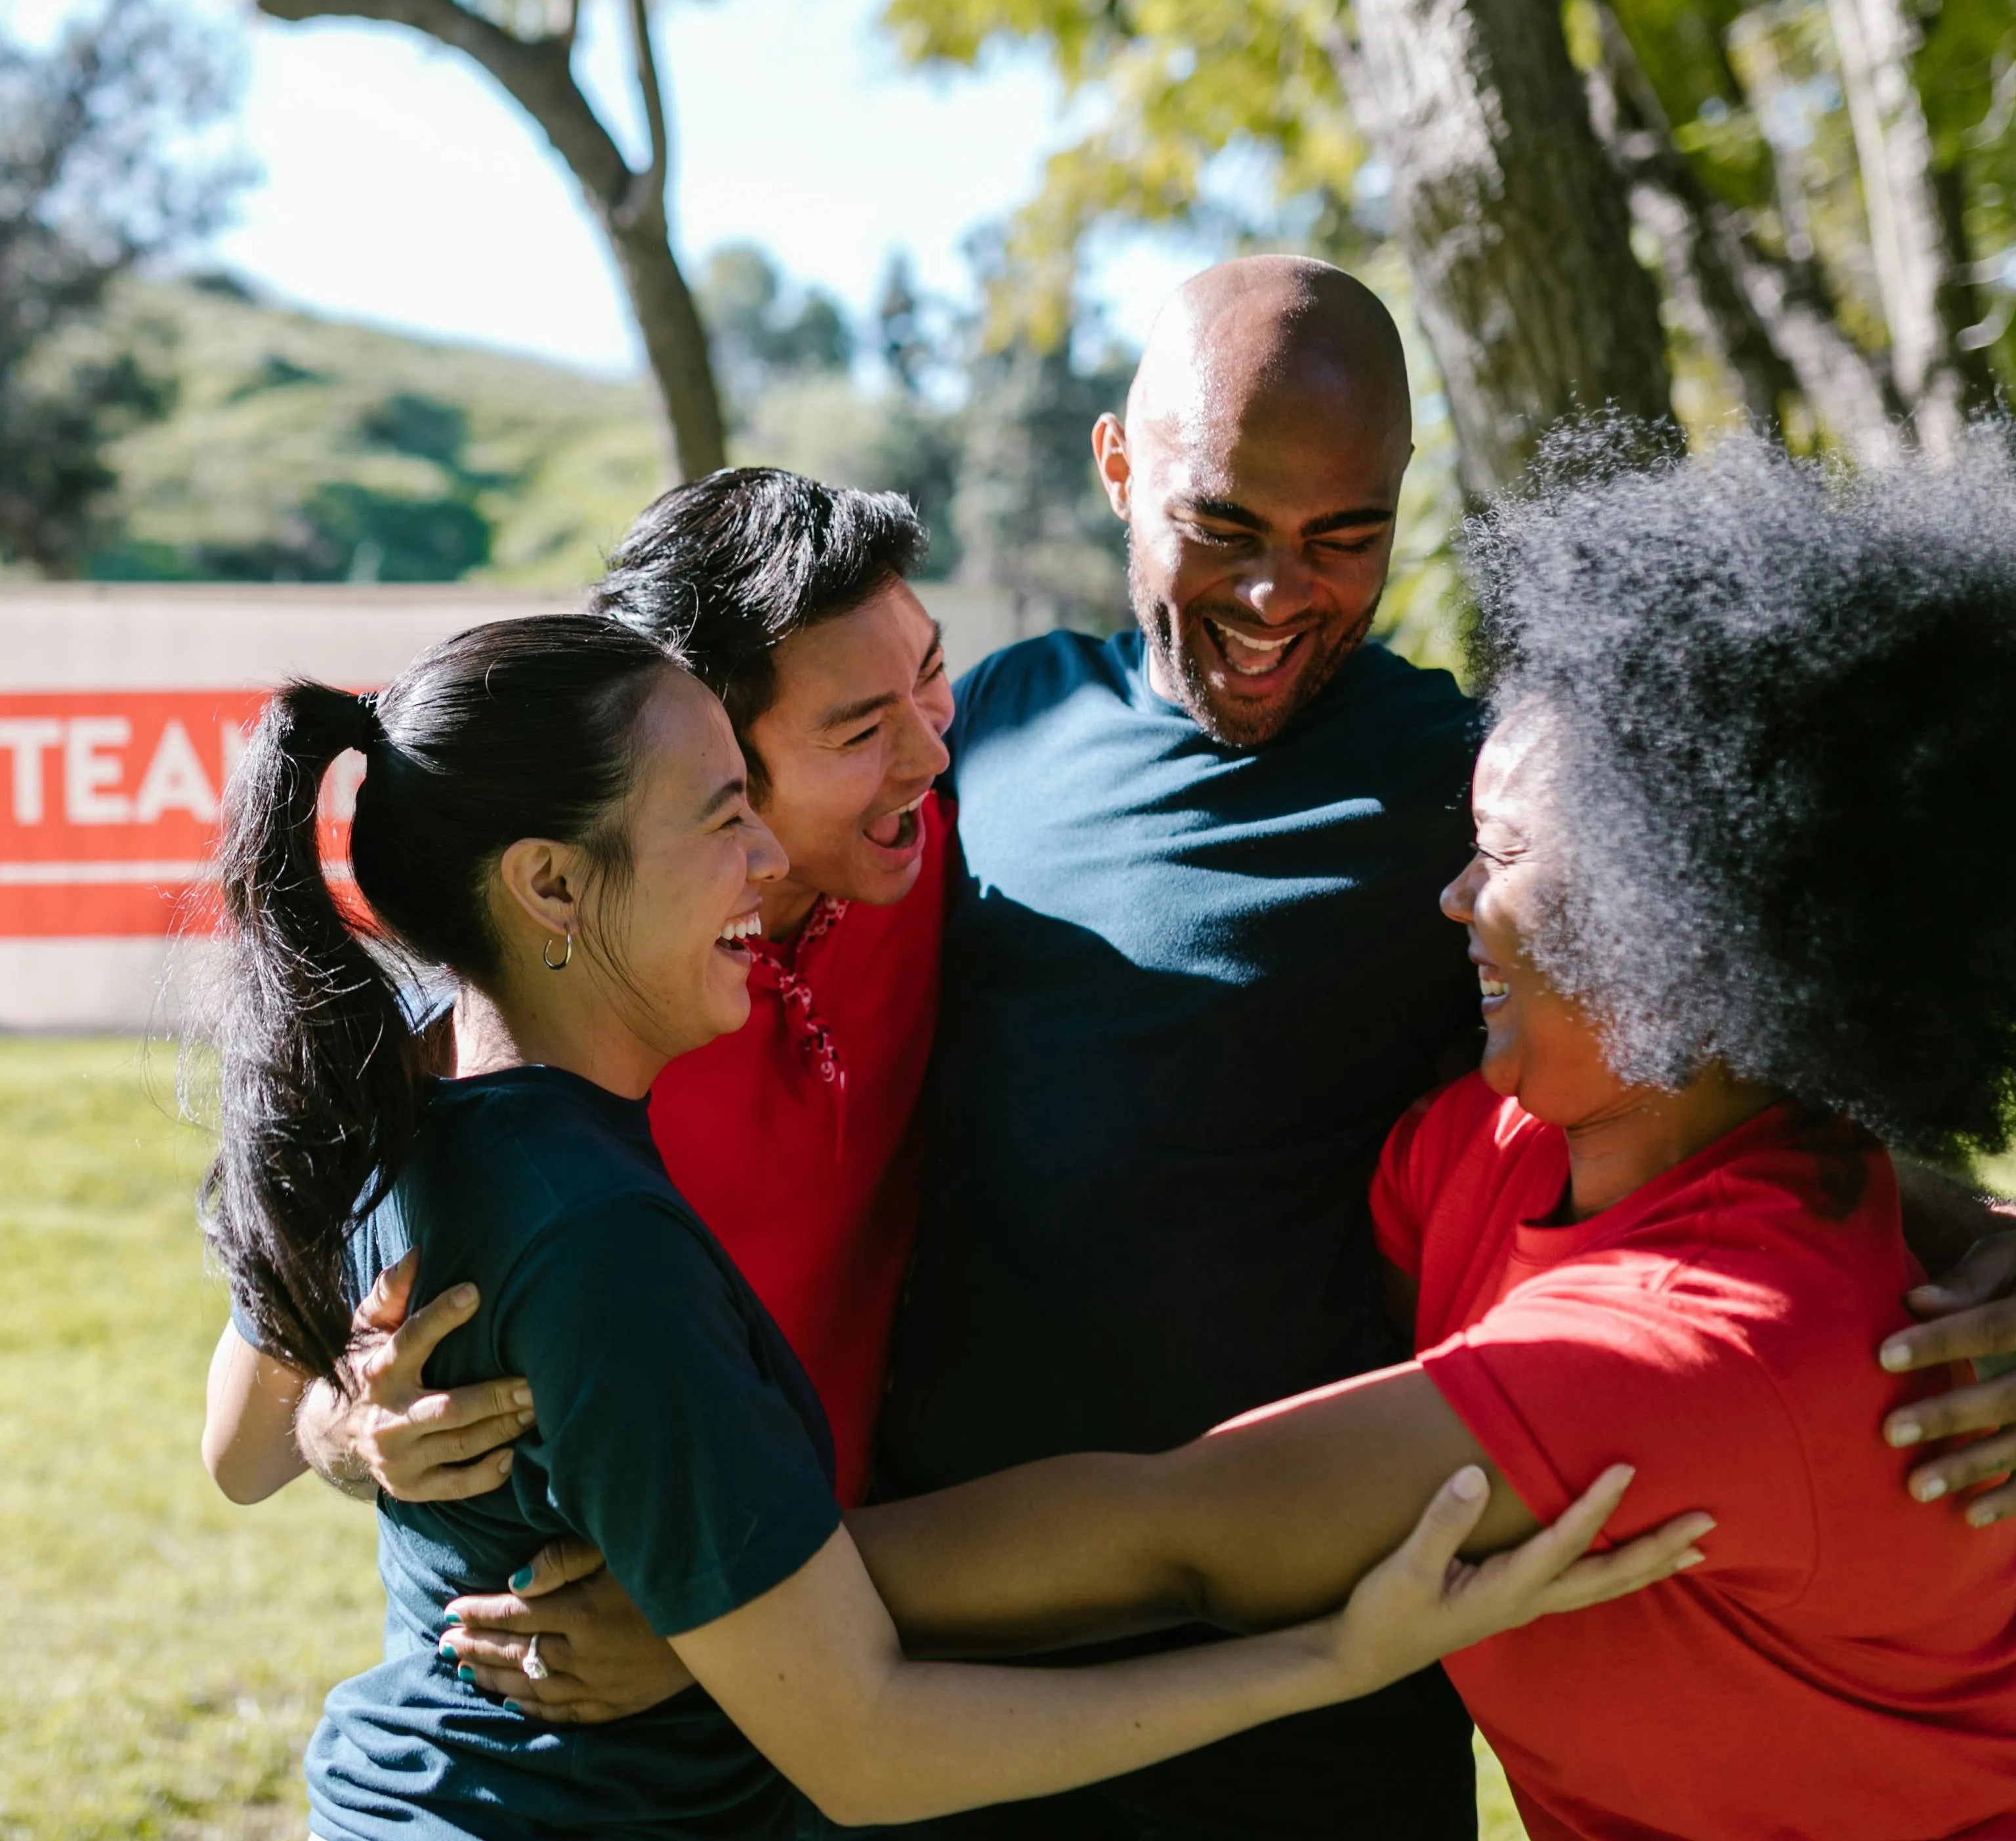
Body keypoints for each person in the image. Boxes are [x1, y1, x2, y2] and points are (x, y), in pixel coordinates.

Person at [201, 611, 1694, 1840]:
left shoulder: (411, 1103)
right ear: (547, 887)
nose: (771, 861)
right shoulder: (596, 1239)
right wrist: (1329, 1658)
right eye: (725, 820)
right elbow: (868, 1742)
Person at [837, 432, 2016, 1839]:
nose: (1453, 900)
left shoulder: (1710, 1345)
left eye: (1504, 856)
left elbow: (1184, 1536)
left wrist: (724, 1594)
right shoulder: (1500, 1148)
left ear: (1681, 920)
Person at [204, 468, 955, 1514]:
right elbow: (241, 1449)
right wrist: (355, 1429)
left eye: (931, 673)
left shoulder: (945, 842)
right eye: (859, 731)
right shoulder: (527, 1033)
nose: (932, 747)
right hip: (631, 1615)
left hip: (857, 1581)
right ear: (706, 748)